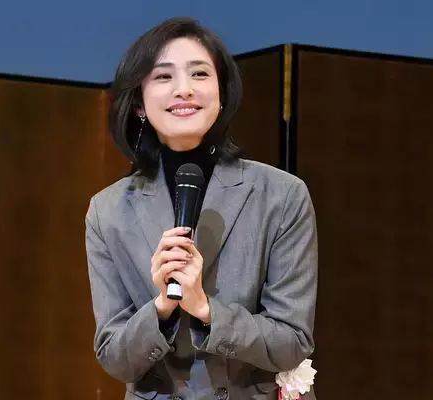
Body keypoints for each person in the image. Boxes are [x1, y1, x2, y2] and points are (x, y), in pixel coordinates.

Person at [85, 17, 318, 400]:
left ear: (221, 93)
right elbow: (114, 356)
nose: (184, 89)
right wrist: (162, 306)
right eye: (164, 76)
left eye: (199, 74)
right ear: (139, 103)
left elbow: (292, 341)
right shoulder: (108, 211)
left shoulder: (281, 195)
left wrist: (206, 310)